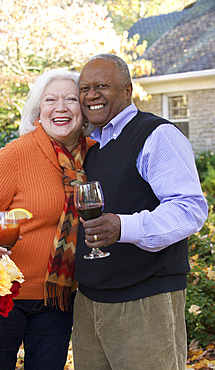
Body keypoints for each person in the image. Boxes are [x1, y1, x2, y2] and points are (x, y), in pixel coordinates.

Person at [72, 54, 208, 370]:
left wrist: (124, 227)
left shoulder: (156, 135)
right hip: (91, 303)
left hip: (144, 303)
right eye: (85, 88)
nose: (91, 95)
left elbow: (190, 209)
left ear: (128, 89)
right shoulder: (95, 144)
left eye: (102, 86)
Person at [0, 68, 94, 370]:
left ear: (84, 108)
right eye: (50, 100)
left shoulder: (94, 155)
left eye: (70, 99)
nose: (60, 108)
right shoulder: (17, 153)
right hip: (2, 294)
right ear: (39, 109)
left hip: (57, 297)